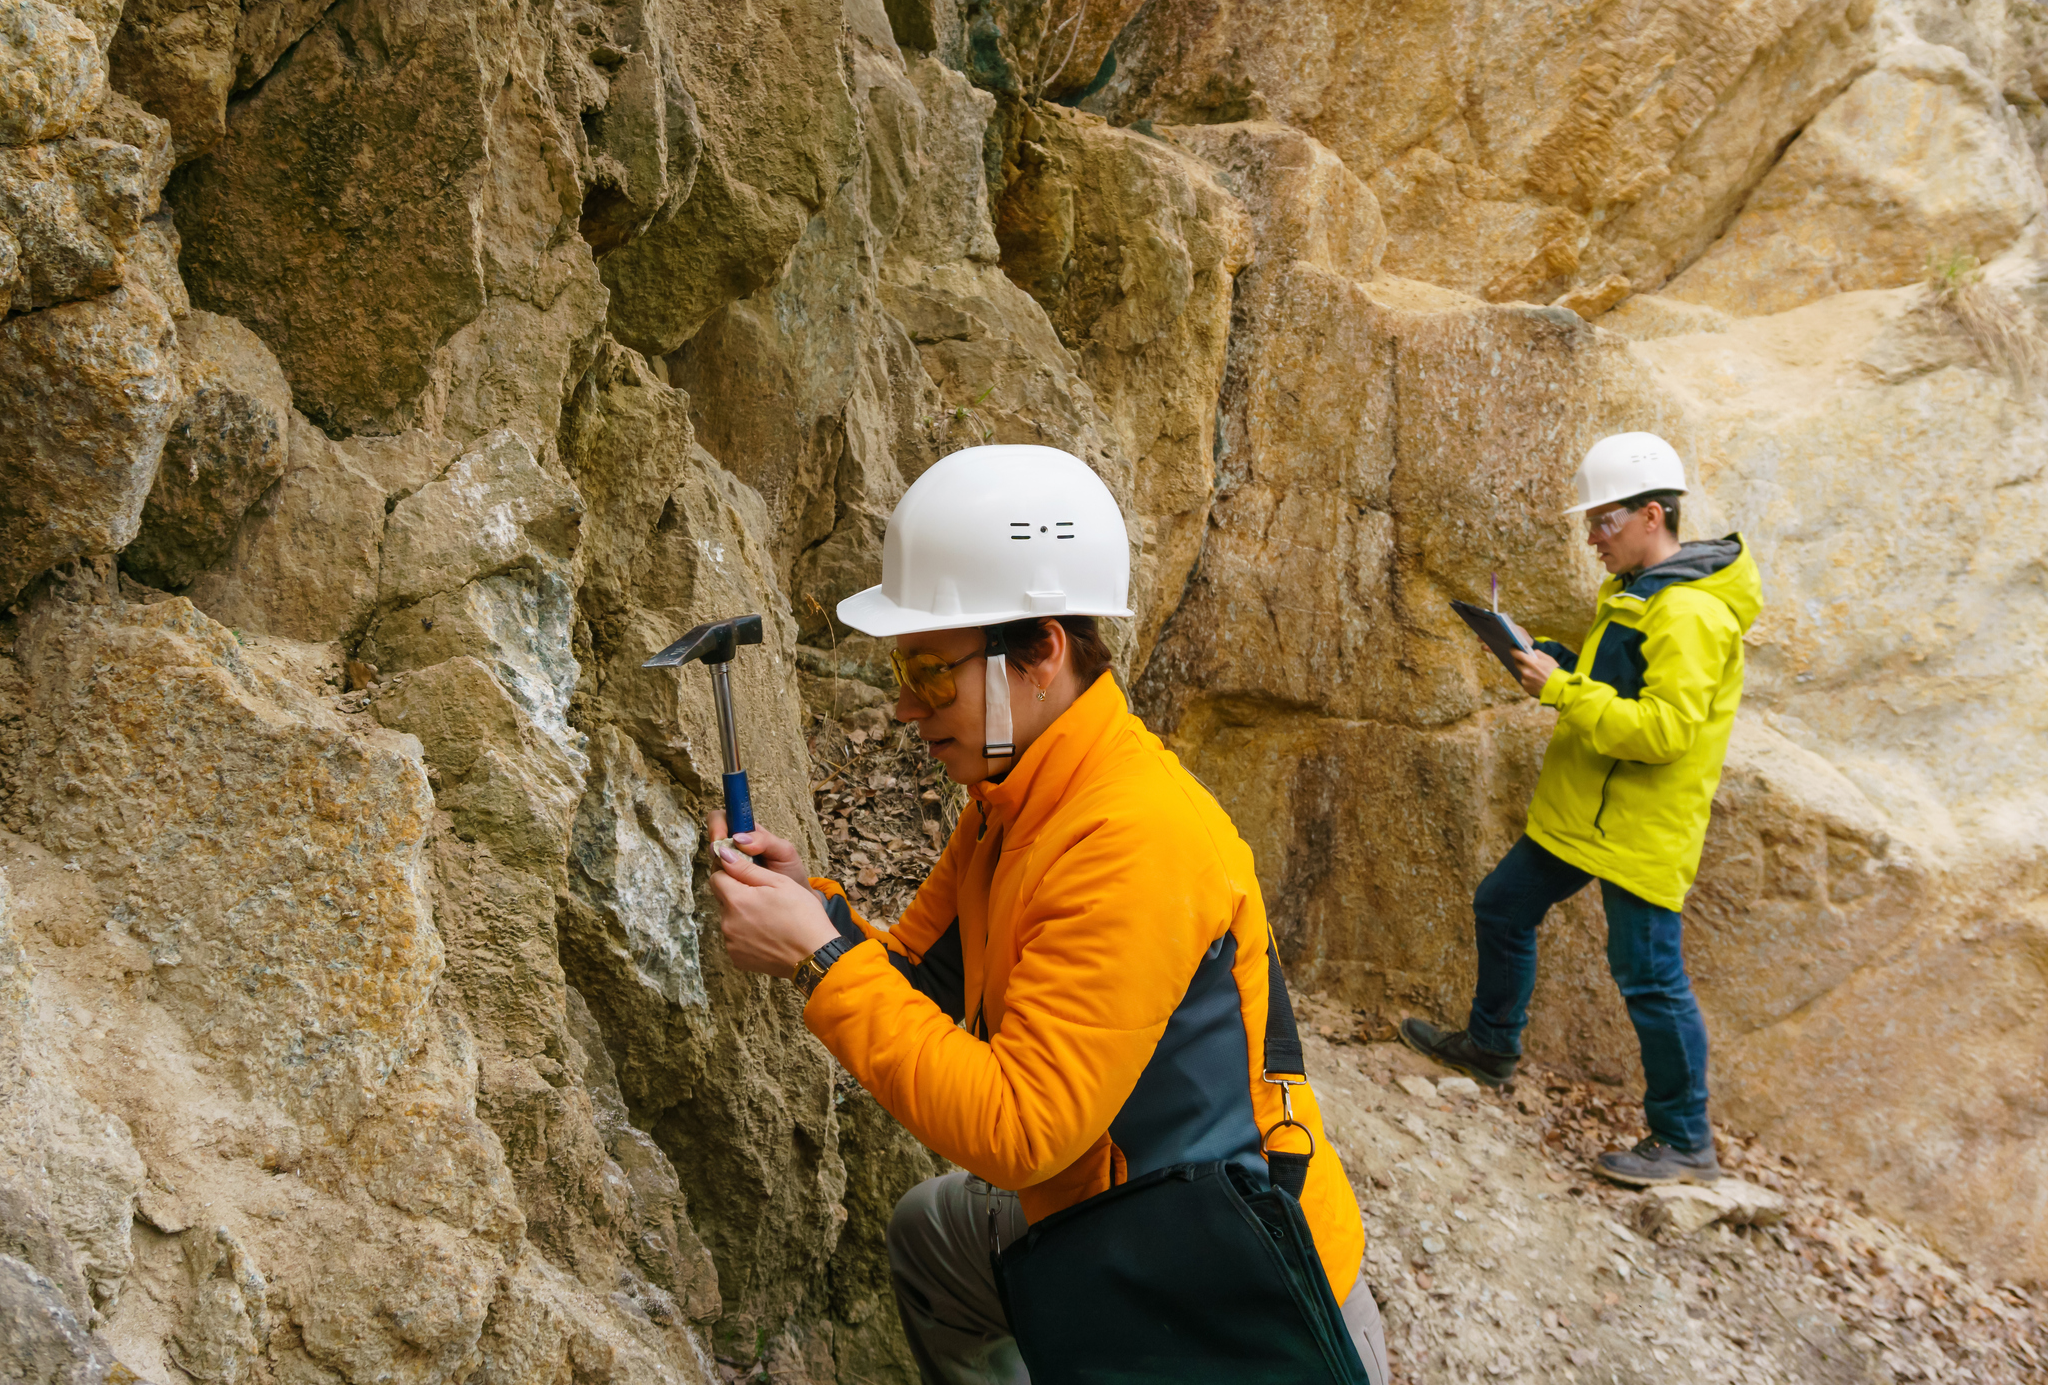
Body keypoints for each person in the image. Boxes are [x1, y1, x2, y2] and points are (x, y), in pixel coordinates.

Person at [703, 444, 1389, 1384]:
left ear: (1042, 654)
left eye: (931, 672)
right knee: (933, 1237)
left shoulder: (1132, 838)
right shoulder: (1015, 801)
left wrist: (821, 962)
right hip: (1116, 1218)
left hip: (1234, 1293)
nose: (907, 707)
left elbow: (1023, 1132)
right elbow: (916, 984)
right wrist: (811, 912)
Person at [1404, 431, 1763, 1186]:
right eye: (1590, 523)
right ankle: (1492, 1047)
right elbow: (1624, 685)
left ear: (1652, 516)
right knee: (1502, 907)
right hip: (1583, 816)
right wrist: (1555, 661)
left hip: (1636, 828)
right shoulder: (1639, 592)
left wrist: (1560, 690)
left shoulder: (1689, 613)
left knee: (1648, 976)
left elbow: (1664, 732)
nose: (1592, 538)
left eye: (1602, 522)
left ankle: (1684, 1140)